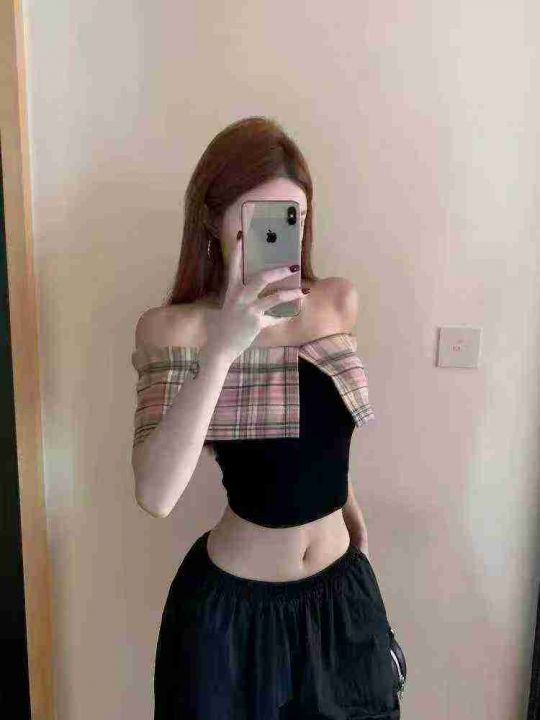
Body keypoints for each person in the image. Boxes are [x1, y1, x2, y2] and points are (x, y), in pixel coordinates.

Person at [131, 116, 402, 719]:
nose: (279, 234)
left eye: (293, 217)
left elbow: (319, 435)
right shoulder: (176, 330)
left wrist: (347, 509)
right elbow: (156, 493)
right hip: (234, 620)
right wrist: (223, 348)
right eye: (258, 218)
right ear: (213, 220)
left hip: (342, 598)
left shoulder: (336, 303)